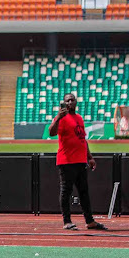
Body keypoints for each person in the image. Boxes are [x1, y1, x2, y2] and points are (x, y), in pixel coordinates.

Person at [49, 93, 107, 231]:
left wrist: (90, 157)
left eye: (72, 100)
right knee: (66, 192)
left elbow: (82, 139)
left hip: (80, 161)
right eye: (67, 101)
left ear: (76, 102)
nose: (70, 102)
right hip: (66, 161)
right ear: (64, 103)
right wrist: (58, 118)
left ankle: (89, 221)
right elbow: (51, 132)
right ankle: (67, 221)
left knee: (84, 192)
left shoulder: (79, 118)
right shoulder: (61, 118)